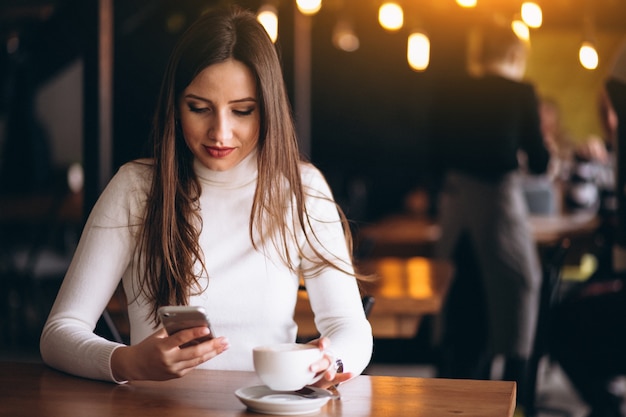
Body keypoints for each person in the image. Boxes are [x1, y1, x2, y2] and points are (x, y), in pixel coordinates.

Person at [40, 5, 373, 385]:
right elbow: (58, 333)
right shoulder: (136, 189)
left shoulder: (302, 188)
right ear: (175, 106)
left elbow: (351, 327)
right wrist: (126, 362)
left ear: (269, 110)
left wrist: (334, 362)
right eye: (199, 108)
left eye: (243, 111)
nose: (221, 133)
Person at [430, 19, 550, 405]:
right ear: (516, 55)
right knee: (523, 284)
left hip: (454, 211)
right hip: (498, 209)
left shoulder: (451, 90)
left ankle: (451, 396)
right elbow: (540, 160)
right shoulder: (520, 92)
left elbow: (433, 152)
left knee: (460, 298)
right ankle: (517, 389)